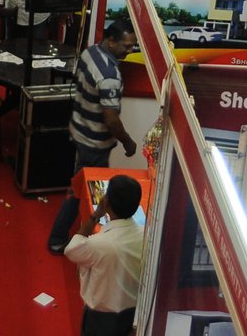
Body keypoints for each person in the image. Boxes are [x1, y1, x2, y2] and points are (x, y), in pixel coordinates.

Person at [49, 20, 139, 254]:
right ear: (112, 41)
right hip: (95, 143)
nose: (130, 51)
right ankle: (59, 239)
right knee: (81, 191)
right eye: (126, 46)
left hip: (80, 130)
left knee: (79, 186)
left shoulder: (90, 53)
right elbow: (111, 119)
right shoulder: (109, 75)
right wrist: (128, 142)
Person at [65, 173, 148, 336]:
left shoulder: (99, 244)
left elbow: (71, 249)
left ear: (106, 202)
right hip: (132, 312)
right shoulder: (146, 234)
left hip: (100, 318)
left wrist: (95, 215)